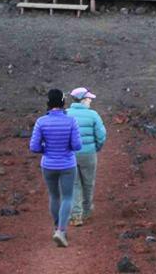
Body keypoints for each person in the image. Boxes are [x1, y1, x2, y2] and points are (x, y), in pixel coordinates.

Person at [29, 88, 82, 247]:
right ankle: (61, 231)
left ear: (48, 103)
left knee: (54, 196)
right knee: (67, 197)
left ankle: (57, 227)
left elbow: (34, 147)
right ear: (62, 102)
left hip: (48, 164)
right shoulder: (71, 121)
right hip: (67, 164)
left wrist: (47, 149)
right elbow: (77, 145)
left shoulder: (41, 122)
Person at [66, 87, 107, 226]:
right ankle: (87, 211)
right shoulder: (93, 115)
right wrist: (96, 148)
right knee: (88, 183)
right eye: (88, 98)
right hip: (89, 154)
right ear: (82, 100)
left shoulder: (65, 115)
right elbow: (101, 135)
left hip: (70, 155)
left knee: (74, 184)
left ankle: (76, 216)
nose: (90, 101)